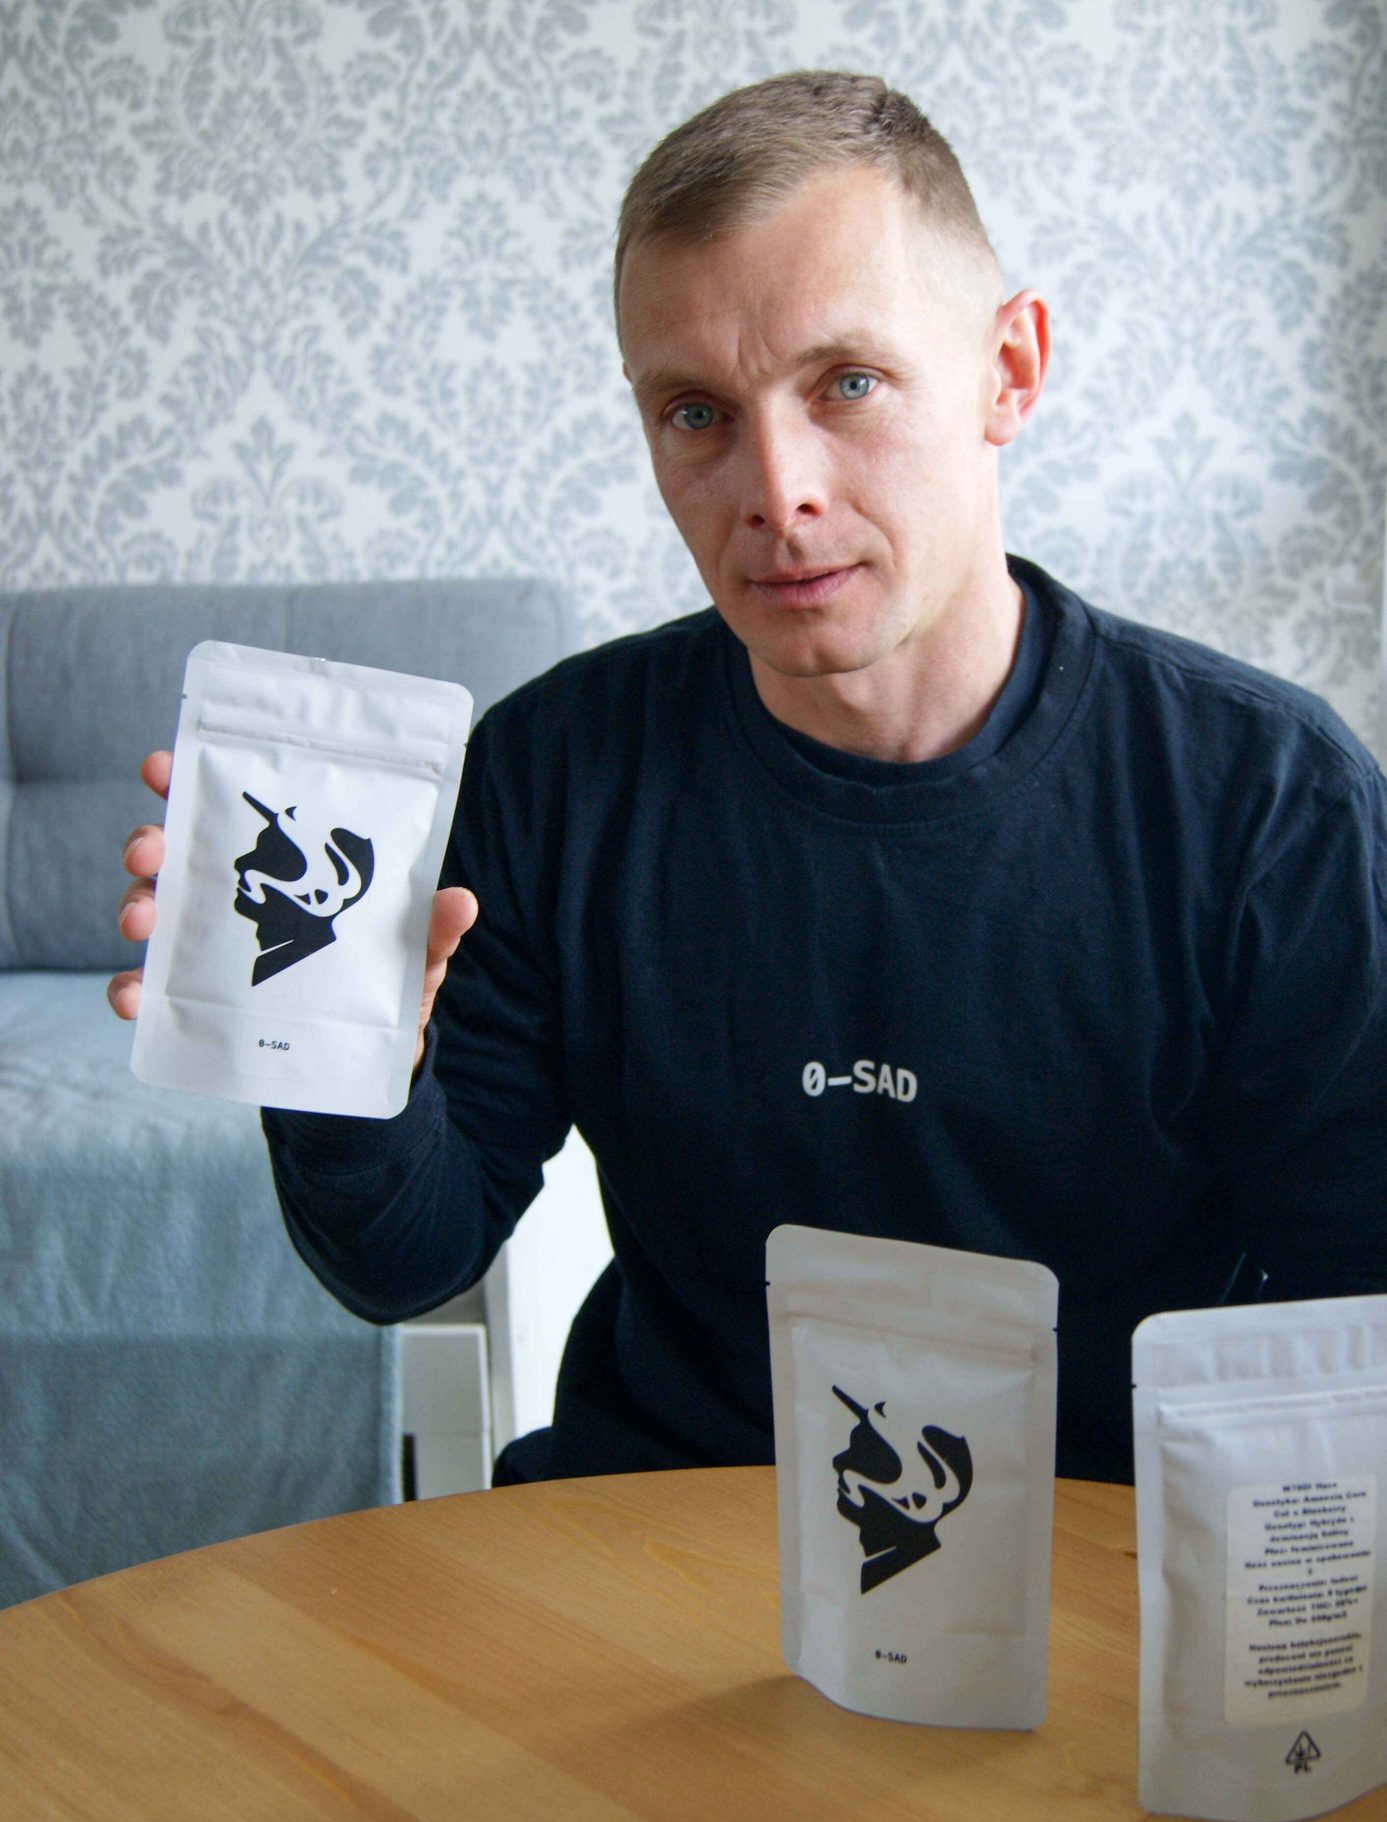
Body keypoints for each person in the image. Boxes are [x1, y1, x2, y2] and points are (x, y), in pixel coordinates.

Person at [110, 71, 1387, 1487]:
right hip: (660, 1509)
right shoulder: (550, 774)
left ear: (1009, 371)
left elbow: (1354, 1312)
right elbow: (406, 1263)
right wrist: (329, 1048)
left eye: (849, 384)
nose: (777, 494)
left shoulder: (1271, 805)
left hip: (1100, 1545)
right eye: (697, 413)